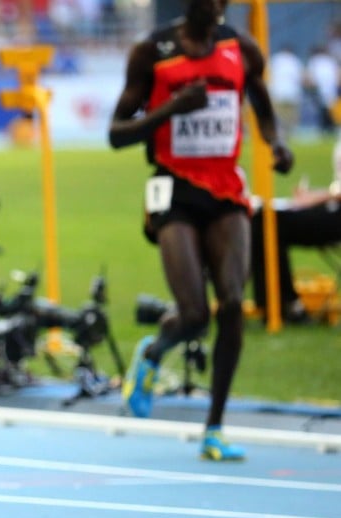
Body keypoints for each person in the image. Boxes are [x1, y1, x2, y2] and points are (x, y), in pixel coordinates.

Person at [108, 0, 294, 461]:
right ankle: (154, 352)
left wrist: (277, 143)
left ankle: (214, 427)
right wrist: (171, 108)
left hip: (226, 189)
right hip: (173, 187)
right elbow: (116, 132)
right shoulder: (152, 51)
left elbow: (263, 109)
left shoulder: (241, 47)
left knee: (232, 302)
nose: (216, 5)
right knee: (194, 315)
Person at [250, 181, 341, 322]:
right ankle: (277, 304)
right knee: (263, 221)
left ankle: (284, 304)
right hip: (331, 207)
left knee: (269, 224)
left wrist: (315, 197)